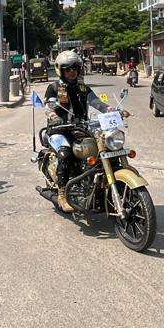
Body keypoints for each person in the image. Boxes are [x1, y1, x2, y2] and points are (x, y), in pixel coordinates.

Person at [43, 51, 126, 212]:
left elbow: (96, 102)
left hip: (80, 127)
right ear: (60, 70)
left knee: (103, 148)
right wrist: (53, 114)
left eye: (75, 68)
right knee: (65, 153)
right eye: (68, 69)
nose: (72, 72)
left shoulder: (83, 88)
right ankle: (62, 194)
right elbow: (48, 106)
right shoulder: (54, 88)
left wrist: (111, 110)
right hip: (59, 129)